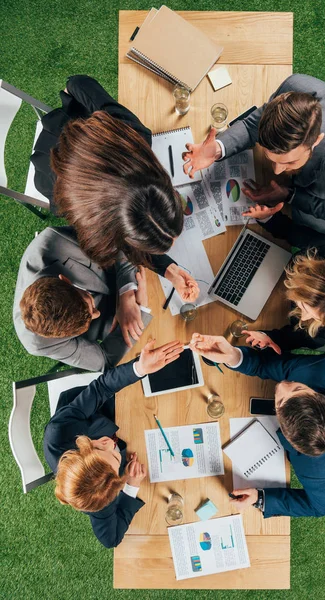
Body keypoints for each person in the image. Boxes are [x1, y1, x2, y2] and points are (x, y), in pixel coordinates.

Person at [31, 74, 199, 301]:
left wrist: (169, 270)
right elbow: (124, 245)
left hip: (72, 135)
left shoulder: (136, 135)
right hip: (50, 167)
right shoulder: (84, 215)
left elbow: (77, 83)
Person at [190, 333, 325, 518]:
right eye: (297, 388)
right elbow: (267, 364)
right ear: (323, 399)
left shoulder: (319, 473)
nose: (281, 386)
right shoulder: (323, 370)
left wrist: (260, 498)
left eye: (279, 403)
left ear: (289, 439)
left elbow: (320, 508)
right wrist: (232, 355)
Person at [183, 74, 325, 239]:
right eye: (269, 155)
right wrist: (217, 148)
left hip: (320, 217)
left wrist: (290, 195)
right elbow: (252, 126)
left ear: (316, 141)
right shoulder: (295, 88)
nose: (277, 170)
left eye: (290, 161)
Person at [44, 338, 184, 548]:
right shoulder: (96, 495)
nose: (109, 444)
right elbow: (110, 539)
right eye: (115, 457)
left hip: (96, 410)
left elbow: (101, 389)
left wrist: (140, 368)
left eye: (98, 447)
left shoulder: (59, 432)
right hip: (127, 429)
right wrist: (131, 486)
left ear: (81, 448)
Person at [14, 226, 158, 371]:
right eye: (91, 317)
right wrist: (141, 308)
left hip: (122, 272)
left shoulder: (56, 241)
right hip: (114, 327)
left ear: (65, 280)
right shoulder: (38, 343)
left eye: (90, 303)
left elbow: (118, 236)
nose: (97, 313)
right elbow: (104, 360)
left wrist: (127, 293)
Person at [243, 214, 325, 352]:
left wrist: (268, 336)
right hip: (279, 271)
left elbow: (293, 338)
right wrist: (266, 217)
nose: (303, 318)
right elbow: (293, 232)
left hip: (274, 306)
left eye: (315, 316)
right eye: (305, 308)